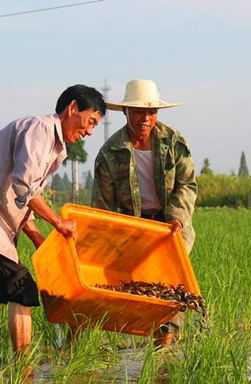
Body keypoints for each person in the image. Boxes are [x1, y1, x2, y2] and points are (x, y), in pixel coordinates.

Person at [0, 84, 106, 357]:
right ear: (72, 108)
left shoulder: (52, 143)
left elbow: (23, 195)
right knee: (22, 289)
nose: (90, 131)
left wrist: (35, 236)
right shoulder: (40, 130)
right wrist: (58, 222)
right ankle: (24, 368)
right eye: (90, 121)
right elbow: (24, 185)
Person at [91, 79, 197, 347]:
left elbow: (187, 185)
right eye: (138, 112)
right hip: (135, 229)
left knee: (172, 285)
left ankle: (167, 343)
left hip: (171, 226)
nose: (145, 118)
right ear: (126, 112)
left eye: (151, 112)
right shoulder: (110, 152)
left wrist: (177, 217)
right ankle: (151, 339)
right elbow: (102, 205)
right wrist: (107, 244)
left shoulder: (173, 142)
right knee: (142, 289)